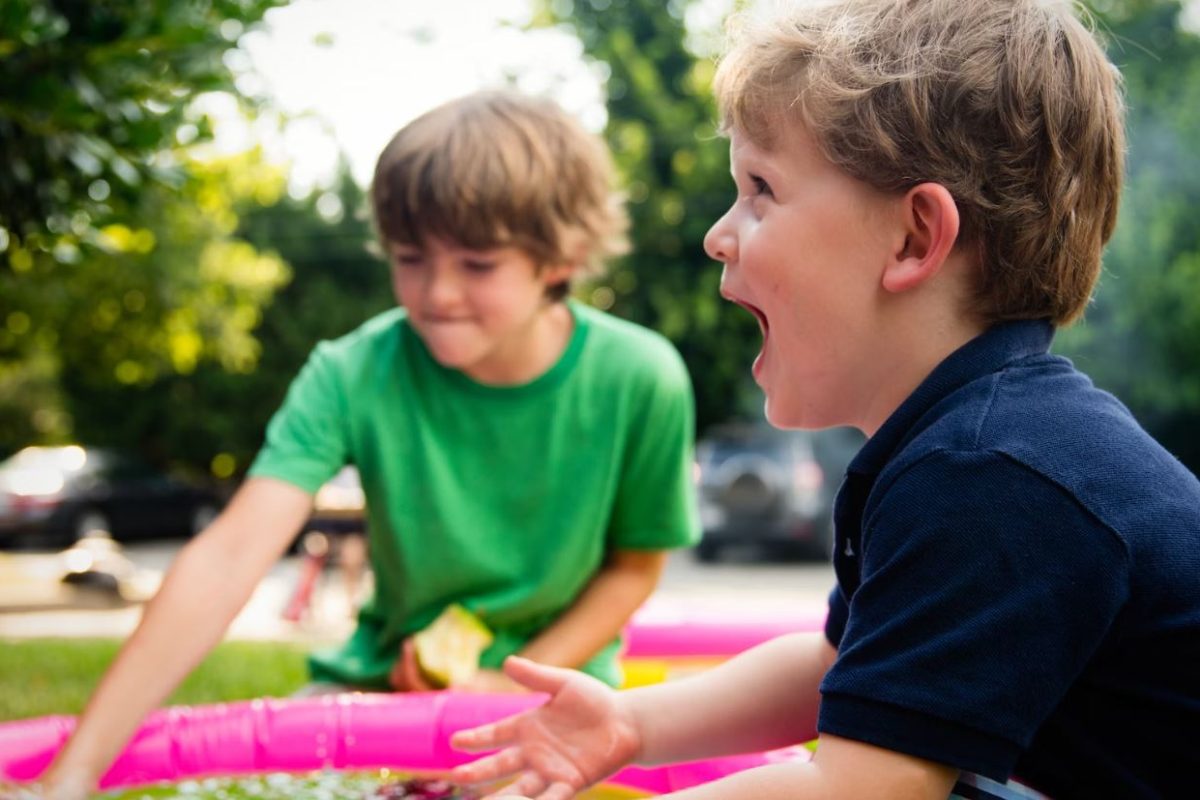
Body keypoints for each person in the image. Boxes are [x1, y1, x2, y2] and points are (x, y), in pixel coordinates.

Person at [448, 1, 1200, 798]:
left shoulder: (994, 476)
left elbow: (857, 789)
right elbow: (839, 666)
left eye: (761, 188)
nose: (717, 234)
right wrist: (634, 726)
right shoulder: (969, 444)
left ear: (913, 239)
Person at [30, 89, 700, 798]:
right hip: (378, 696)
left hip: (559, 702)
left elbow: (634, 567)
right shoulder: (351, 371)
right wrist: (74, 774)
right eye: (410, 258)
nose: (437, 292)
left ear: (561, 258)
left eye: (477, 264)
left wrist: (502, 681)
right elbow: (229, 557)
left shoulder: (641, 377)